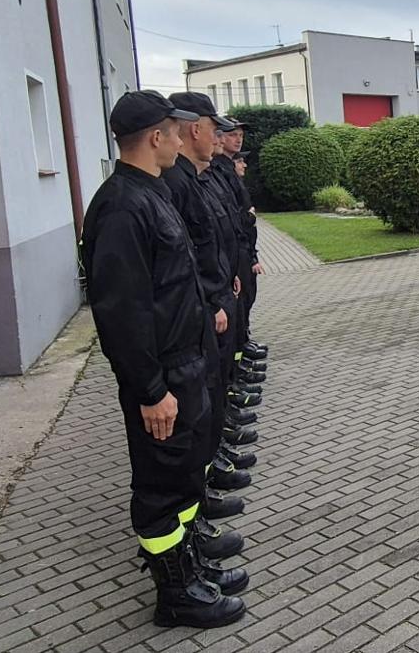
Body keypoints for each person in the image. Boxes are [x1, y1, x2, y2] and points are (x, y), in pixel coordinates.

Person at [81, 91, 246, 628]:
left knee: (182, 477)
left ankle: (188, 566)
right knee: (159, 487)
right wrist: (150, 390)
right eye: (175, 132)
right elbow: (121, 312)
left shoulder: (149, 194)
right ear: (155, 137)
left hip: (186, 363)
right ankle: (175, 594)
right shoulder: (122, 205)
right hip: (163, 376)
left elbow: (176, 284)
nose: (183, 139)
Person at [160, 93, 259, 529]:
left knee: (213, 395)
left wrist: (225, 280)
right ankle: (196, 513)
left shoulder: (196, 177)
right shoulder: (172, 185)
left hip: (216, 296)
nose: (220, 137)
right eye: (214, 129)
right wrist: (213, 296)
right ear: (193, 130)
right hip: (193, 321)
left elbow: (214, 236)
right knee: (192, 423)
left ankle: (209, 475)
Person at [210, 119, 269, 377]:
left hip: (238, 256)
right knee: (233, 317)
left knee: (243, 308)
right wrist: (249, 218)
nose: (238, 139)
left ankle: (239, 358)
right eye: (232, 134)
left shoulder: (221, 171)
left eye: (240, 135)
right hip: (227, 264)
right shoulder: (217, 171)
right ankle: (235, 374)